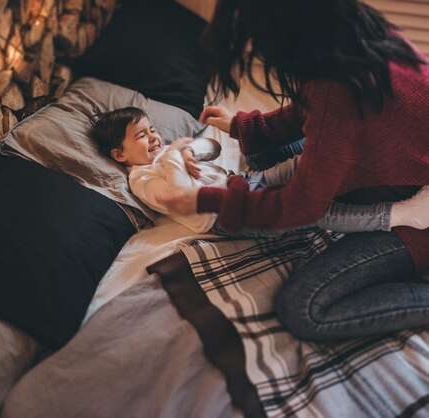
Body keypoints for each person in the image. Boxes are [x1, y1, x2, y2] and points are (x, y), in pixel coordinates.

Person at [157, 0, 429, 340]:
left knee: (304, 308)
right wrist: (245, 127)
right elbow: (315, 108)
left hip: (420, 217)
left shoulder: (338, 94)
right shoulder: (360, 37)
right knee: (260, 152)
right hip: (389, 169)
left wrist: (208, 200)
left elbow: (301, 208)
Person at [90, 107, 420, 237]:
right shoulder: (141, 179)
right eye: (141, 136)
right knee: (315, 212)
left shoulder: (168, 151)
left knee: (300, 164)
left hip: (243, 183)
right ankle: (395, 215)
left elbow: (213, 150)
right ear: (120, 155)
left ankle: (365, 160)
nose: (153, 138)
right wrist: (175, 156)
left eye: (151, 130)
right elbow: (179, 195)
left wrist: (189, 149)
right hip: (226, 216)